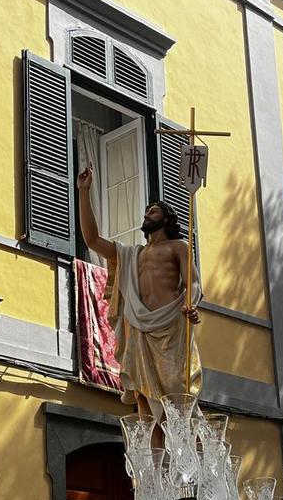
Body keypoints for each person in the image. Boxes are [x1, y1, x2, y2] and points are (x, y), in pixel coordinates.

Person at [77, 166, 201, 422]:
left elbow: (194, 283)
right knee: (143, 398)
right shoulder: (131, 255)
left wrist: (191, 304)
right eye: (146, 211)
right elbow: (92, 241)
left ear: (166, 218)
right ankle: (153, 458)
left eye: (153, 211)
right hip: (137, 325)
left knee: (177, 396)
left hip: (171, 326)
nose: (147, 214)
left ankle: (183, 451)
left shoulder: (178, 246)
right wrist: (83, 192)